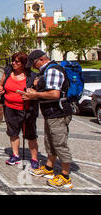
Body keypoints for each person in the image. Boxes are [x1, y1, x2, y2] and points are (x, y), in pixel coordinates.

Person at [22, 50, 74, 189]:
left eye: (34, 64)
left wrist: (34, 95)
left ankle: (65, 176)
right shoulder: (46, 71)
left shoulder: (52, 71)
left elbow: (54, 94)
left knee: (59, 143)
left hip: (58, 113)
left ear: (41, 59)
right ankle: (49, 168)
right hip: (51, 113)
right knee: (50, 141)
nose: (34, 67)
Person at [0, 52, 39, 170]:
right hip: (9, 107)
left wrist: (31, 94)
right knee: (13, 132)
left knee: (30, 134)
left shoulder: (32, 76)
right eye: (13, 61)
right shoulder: (9, 72)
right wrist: (0, 90)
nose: (13, 63)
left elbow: (37, 92)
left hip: (26, 109)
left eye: (17, 62)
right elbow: (0, 85)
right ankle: (15, 155)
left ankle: (34, 159)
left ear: (24, 64)